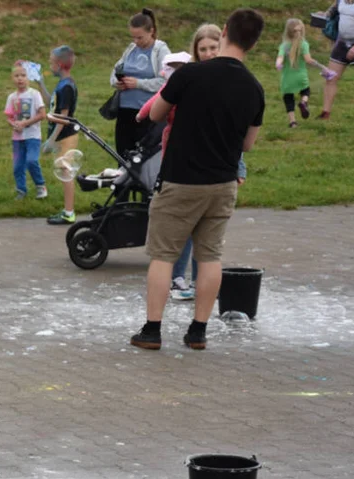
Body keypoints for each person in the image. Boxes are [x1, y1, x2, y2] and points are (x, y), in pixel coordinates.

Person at [129, 9, 265, 352]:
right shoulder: (254, 88)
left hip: (180, 179)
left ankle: (152, 330)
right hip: (222, 184)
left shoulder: (189, 75)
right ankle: (198, 331)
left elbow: (156, 114)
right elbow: (247, 144)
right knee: (209, 257)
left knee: (162, 255)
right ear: (254, 42)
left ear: (224, 32)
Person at [110, 8, 169, 155]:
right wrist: (116, 82)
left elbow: (166, 81)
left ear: (151, 31)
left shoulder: (161, 51)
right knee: (123, 153)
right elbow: (116, 69)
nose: (136, 41)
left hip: (148, 113)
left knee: (143, 155)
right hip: (125, 111)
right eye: (133, 37)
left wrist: (138, 84)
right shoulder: (131, 49)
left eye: (140, 37)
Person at [276, 18, 334, 127]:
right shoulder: (304, 44)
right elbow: (309, 60)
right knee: (306, 91)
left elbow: (279, 58)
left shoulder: (283, 46)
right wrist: (322, 67)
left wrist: (278, 64)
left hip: (287, 79)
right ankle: (303, 102)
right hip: (301, 77)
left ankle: (293, 122)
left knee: (288, 98)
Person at [45, 45, 80, 226]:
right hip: (61, 136)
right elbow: (52, 104)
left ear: (59, 65)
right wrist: (40, 84)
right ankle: (68, 210)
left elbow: (63, 116)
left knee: (66, 172)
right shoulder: (62, 85)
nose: (50, 66)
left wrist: (52, 140)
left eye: (51, 63)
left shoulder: (67, 87)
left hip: (65, 136)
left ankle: (69, 213)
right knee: (63, 171)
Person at [5, 60, 47, 201]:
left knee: (31, 161)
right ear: (12, 78)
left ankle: (40, 186)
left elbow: (42, 114)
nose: (20, 78)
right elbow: (9, 116)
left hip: (33, 136)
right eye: (17, 76)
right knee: (18, 166)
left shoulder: (34, 94)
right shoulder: (11, 97)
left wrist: (25, 123)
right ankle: (21, 190)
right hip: (17, 138)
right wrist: (14, 125)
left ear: (29, 77)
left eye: (23, 75)